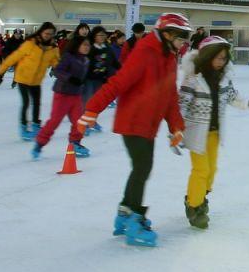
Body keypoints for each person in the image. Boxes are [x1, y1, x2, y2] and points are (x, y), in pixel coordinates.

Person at [78, 13, 192, 247]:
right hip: (133, 121)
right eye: (181, 38)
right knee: (142, 168)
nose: (184, 44)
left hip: (148, 123)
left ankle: (124, 215)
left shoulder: (169, 56)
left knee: (141, 168)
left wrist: (176, 127)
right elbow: (119, 82)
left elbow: (170, 94)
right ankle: (134, 223)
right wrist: (92, 109)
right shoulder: (146, 51)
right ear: (168, 34)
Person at [178, 35, 249, 229]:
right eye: (218, 57)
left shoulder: (223, 79)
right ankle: (194, 207)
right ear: (208, 56)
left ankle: (197, 196)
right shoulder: (193, 78)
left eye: (224, 58)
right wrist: (176, 130)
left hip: (214, 133)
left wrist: (247, 103)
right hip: (196, 132)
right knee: (201, 170)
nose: (221, 62)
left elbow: (232, 97)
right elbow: (182, 104)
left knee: (211, 170)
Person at [31, 35, 92, 160]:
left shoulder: (86, 60)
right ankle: (40, 143)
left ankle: (75, 143)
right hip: (62, 94)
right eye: (84, 45)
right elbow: (57, 71)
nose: (87, 47)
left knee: (79, 121)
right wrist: (70, 78)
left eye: (88, 45)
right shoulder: (69, 57)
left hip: (76, 95)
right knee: (55, 121)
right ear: (77, 45)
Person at [0, 23, 60, 141]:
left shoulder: (52, 48)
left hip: (36, 81)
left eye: (51, 34)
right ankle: (23, 128)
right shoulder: (30, 44)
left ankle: (36, 126)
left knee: (36, 103)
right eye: (46, 33)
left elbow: (56, 62)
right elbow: (14, 57)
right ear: (41, 32)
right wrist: (2, 69)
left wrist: (63, 72)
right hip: (23, 78)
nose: (48, 36)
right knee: (26, 102)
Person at [85, 26, 120, 130]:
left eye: (104, 35)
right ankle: (85, 123)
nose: (102, 37)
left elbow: (114, 62)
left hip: (101, 78)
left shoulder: (107, 48)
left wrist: (123, 70)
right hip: (88, 78)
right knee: (88, 101)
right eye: (100, 35)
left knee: (96, 102)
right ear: (94, 36)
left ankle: (91, 121)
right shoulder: (90, 47)